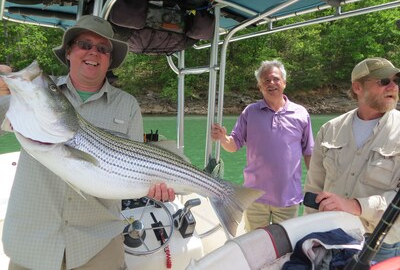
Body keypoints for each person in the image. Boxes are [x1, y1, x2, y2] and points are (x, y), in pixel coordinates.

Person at [0, 15, 175, 270]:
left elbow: (139, 164)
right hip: (32, 241)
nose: (93, 52)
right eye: (84, 44)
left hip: (98, 245)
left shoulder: (127, 105)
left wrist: (155, 186)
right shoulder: (33, 94)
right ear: (69, 52)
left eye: (103, 48)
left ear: (109, 61)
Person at [304, 57, 400, 262]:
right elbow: (314, 188)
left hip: (381, 246)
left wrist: (356, 205)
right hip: (330, 238)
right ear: (357, 87)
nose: (393, 86)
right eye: (384, 81)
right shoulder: (329, 130)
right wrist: (307, 232)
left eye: (396, 80)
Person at [211, 60, 314, 231]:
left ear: (284, 83)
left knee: (286, 245)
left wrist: (317, 184)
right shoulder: (250, 112)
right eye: (266, 80)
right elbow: (234, 145)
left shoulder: (301, 113)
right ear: (260, 86)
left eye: (275, 79)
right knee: (254, 244)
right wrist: (223, 138)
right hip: (254, 197)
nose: (271, 83)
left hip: (288, 198)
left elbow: (309, 152)